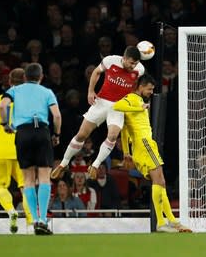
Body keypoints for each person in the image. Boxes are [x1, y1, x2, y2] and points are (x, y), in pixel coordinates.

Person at [51, 46, 145, 180]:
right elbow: (96, 72)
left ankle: (95, 165)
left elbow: (137, 87)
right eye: (131, 63)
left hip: (119, 106)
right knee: (82, 134)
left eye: (135, 63)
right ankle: (63, 163)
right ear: (124, 58)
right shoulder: (110, 60)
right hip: (101, 102)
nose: (133, 66)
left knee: (112, 136)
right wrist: (91, 91)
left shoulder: (139, 70)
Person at [113, 73, 192, 232]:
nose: (150, 92)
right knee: (159, 180)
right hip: (144, 144)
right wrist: (138, 107)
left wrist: (127, 152)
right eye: (149, 89)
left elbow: (126, 129)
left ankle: (170, 221)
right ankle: (163, 222)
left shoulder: (140, 102)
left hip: (145, 145)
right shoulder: (132, 99)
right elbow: (116, 105)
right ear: (140, 87)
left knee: (160, 181)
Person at [0, 63, 62, 235]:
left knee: (27, 179)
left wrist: (5, 124)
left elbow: (2, 106)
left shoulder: (14, 91)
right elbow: (56, 115)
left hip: (23, 133)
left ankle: (34, 220)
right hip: (41, 131)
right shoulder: (47, 92)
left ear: (25, 77)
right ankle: (42, 219)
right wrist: (56, 134)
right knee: (44, 177)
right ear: (41, 77)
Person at [0, 68, 33, 233]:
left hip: (0, 151)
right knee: (25, 187)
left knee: (2, 186)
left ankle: (12, 212)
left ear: (9, 82)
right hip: (21, 150)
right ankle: (30, 220)